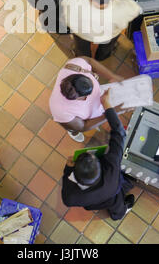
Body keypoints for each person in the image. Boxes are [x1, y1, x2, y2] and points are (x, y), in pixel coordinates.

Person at [61, 91, 134, 221]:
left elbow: (66, 181)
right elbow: (119, 132)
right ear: (99, 169)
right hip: (112, 196)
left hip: (91, 203)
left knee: (100, 203)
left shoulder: (70, 198)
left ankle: (118, 212)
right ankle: (120, 213)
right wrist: (106, 103)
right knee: (117, 204)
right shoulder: (112, 170)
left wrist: (68, 168)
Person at [61, 0, 142, 60]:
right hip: (108, 35)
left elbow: (66, 2)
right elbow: (136, 9)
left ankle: (83, 58)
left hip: (82, 34)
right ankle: (102, 57)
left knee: (81, 48)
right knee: (106, 47)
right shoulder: (121, 9)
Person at [49, 56, 123, 142]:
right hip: (77, 120)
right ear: (81, 97)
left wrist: (111, 76)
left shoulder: (75, 66)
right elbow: (83, 126)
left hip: (100, 109)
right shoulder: (60, 110)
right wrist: (111, 113)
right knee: (73, 128)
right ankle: (73, 132)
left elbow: (89, 60)